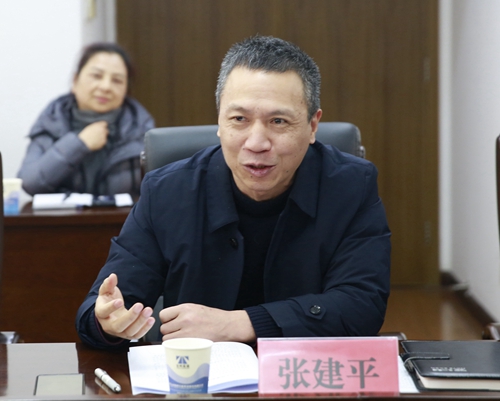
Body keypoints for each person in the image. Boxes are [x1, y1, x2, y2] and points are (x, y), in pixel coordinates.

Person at [76, 35, 391, 349]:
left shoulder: (351, 186)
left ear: (312, 126)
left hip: (305, 369)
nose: (256, 143)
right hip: (197, 375)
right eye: (239, 119)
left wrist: (241, 323)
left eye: (278, 121)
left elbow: (362, 305)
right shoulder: (166, 192)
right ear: (219, 121)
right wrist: (107, 322)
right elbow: (105, 305)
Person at [18, 42, 155, 198]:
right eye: (96, 76)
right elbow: (30, 183)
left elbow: (157, 188)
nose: (105, 87)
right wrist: (78, 144)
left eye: (117, 80)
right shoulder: (53, 120)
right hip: (64, 215)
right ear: (75, 80)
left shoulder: (140, 128)